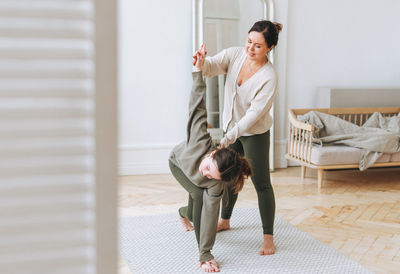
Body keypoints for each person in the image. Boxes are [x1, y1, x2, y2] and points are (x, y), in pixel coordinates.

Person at [193, 20, 283, 256]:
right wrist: (202, 62)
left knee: (261, 184)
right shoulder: (235, 55)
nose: (250, 48)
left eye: (258, 46)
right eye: (249, 41)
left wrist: (231, 134)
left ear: (270, 48)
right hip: (230, 128)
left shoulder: (269, 77)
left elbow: (254, 114)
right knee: (229, 176)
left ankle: (268, 237)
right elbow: (212, 67)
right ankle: (225, 220)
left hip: (254, 133)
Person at [169, 53, 252, 272]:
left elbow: (210, 215)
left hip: (201, 179)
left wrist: (207, 250)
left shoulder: (216, 185)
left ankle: (184, 213)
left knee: (202, 198)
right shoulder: (200, 139)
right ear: (213, 152)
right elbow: (197, 104)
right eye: (208, 167)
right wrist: (198, 72)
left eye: (211, 176)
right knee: (197, 193)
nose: (205, 173)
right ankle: (184, 212)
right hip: (178, 163)